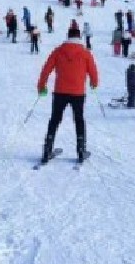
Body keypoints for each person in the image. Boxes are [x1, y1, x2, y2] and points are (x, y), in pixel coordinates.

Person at [37, 28, 99, 163]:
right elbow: (93, 70)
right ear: (79, 37)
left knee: (54, 119)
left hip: (60, 91)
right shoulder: (85, 52)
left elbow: (46, 68)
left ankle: (47, 149)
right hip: (78, 92)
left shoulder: (58, 51)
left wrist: (42, 85)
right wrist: (94, 83)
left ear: (68, 36)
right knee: (79, 120)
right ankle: (81, 150)